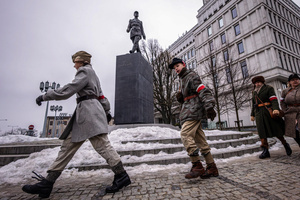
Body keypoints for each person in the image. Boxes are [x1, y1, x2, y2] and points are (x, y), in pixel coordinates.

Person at [22, 51, 131, 198]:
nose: (74, 65)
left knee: (102, 145)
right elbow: (102, 96)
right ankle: (47, 183)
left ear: (82, 62)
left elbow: (68, 90)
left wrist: (45, 95)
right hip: (87, 115)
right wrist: (106, 111)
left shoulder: (84, 71)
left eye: (76, 62)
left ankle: (121, 175)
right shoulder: (93, 74)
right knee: (67, 147)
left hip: (88, 114)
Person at [169, 58, 218, 179]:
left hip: (193, 111)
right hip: (189, 110)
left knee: (185, 134)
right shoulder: (182, 79)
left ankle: (197, 165)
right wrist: (181, 98)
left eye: (178, 65)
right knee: (200, 141)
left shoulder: (191, 76)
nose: (176, 68)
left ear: (183, 65)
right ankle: (212, 167)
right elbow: (190, 96)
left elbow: (203, 91)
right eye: (174, 67)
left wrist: (209, 106)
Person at [250, 76, 292, 159]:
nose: (257, 84)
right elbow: (253, 104)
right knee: (262, 132)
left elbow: (273, 99)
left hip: (268, 111)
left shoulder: (269, 88)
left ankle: (285, 144)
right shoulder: (254, 92)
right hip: (258, 113)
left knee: (275, 129)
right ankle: (265, 150)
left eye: (258, 82)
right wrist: (252, 114)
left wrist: (275, 109)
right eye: (255, 83)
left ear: (262, 82)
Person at [280, 73, 300, 147]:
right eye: (293, 80)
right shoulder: (285, 91)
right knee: (294, 132)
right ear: (289, 82)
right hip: (290, 113)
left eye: (297, 79)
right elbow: (282, 102)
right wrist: (285, 111)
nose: (295, 81)